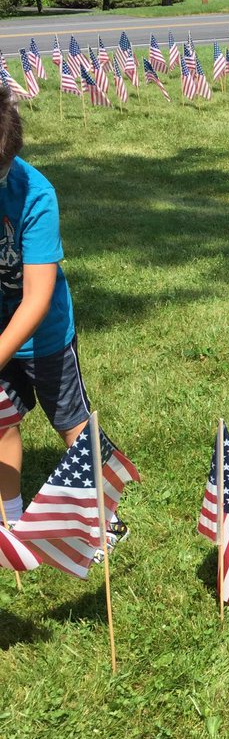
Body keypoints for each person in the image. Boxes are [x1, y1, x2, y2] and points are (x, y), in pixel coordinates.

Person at [0, 89, 126, 546]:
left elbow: (36, 299)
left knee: (72, 423)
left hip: (46, 336)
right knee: (2, 422)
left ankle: (106, 515)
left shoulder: (36, 194)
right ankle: (10, 519)